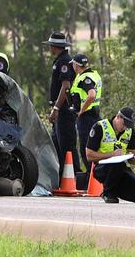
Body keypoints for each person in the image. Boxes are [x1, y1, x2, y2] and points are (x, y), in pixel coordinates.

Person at [85, 107, 135, 204]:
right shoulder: (100, 127)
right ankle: (108, 193)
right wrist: (111, 155)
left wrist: (132, 157)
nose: (125, 128)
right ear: (118, 117)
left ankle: (115, 190)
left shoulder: (129, 131)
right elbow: (89, 155)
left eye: (128, 126)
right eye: (124, 124)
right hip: (102, 168)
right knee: (117, 164)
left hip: (121, 169)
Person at [44, 32, 80, 174]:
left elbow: (66, 86)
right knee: (57, 146)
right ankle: (62, 180)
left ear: (55, 46)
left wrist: (56, 108)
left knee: (67, 147)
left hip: (64, 112)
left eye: (50, 45)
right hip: (59, 110)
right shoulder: (60, 60)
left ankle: (75, 179)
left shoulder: (64, 61)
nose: (49, 48)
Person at [70, 53, 102, 175]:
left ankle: (92, 178)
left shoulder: (85, 78)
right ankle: (95, 177)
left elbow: (92, 95)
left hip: (87, 117)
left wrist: (81, 110)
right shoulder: (94, 74)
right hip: (94, 115)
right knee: (95, 146)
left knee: (86, 148)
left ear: (76, 65)